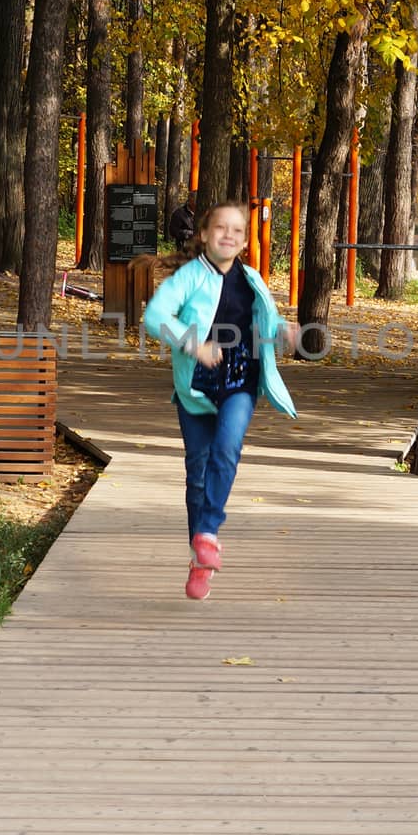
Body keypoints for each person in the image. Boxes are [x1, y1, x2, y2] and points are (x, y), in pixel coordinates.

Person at [138, 201, 300, 601]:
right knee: (197, 470)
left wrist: (283, 332)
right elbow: (155, 315)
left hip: (241, 378)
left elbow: (263, 322)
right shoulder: (190, 277)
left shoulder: (251, 279)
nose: (229, 235)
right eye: (221, 228)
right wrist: (195, 345)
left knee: (227, 448)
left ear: (245, 241)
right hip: (195, 383)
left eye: (237, 231)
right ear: (205, 235)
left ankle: (208, 531)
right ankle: (199, 555)